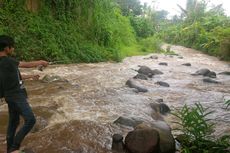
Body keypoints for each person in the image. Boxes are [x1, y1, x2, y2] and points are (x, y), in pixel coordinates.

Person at [0, 35, 48, 153]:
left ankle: (9, 149)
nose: (13, 49)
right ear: (7, 48)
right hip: (16, 96)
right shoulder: (8, 61)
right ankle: (14, 147)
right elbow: (25, 64)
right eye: (12, 47)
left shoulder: (5, 64)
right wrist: (41, 62)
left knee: (14, 122)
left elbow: (17, 77)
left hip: (10, 96)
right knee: (31, 119)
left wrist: (32, 76)